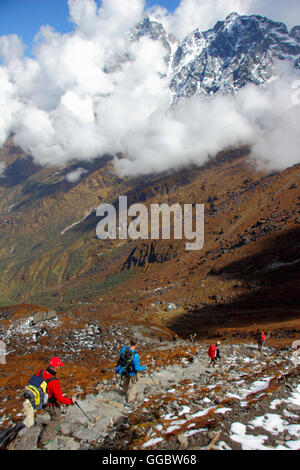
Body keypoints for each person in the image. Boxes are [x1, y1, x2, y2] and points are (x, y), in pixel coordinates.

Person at [37, 357, 76, 448]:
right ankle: (44, 439)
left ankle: (56, 422)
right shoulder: (53, 381)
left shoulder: (40, 372)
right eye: (59, 366)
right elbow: (60, 398)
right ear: (56, 367)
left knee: (57, 411)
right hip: (49, 403)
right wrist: (71, 401)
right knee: (56, 418)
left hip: (41, 400)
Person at [116, 338, 146, 402]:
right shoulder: (136, 355)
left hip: (124, 370)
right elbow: (137, 368)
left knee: (125, 381)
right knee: (134, 384)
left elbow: (121, 358)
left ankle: (123, 392)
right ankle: (131, 398)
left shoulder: (124, 349)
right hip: (132, 372)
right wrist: (144, 367)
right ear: (136, 344)